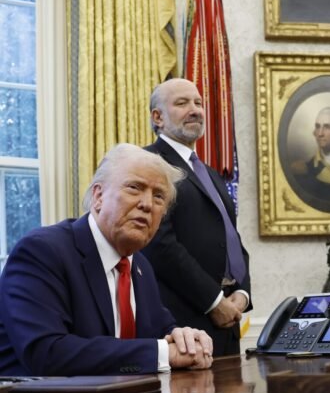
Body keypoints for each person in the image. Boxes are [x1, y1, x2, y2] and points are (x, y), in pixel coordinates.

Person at [0, 143, 213, 376]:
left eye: (159, 196)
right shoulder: (42, 252)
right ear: (98, 196)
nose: (147, 204)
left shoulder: (140, 266)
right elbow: (46, 352)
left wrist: (186, 340)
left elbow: (163, 332)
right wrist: (163, 353)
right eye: (134, 188)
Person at [143, 78, 251, 357]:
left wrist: (242, 294)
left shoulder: (210, 174)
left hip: (230, 318)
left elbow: (231, 240)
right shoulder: (149, 164)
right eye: (182, 103)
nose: (195, 110)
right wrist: (214, 302)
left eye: (198, 103)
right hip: (184, 322)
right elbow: (160, 244)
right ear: (158, 117)